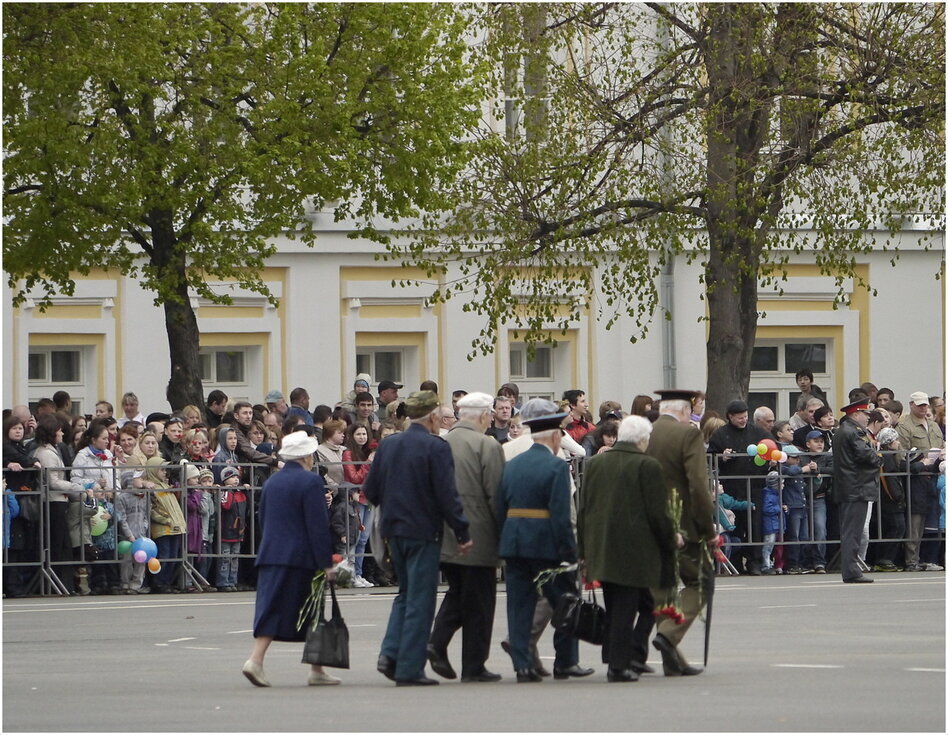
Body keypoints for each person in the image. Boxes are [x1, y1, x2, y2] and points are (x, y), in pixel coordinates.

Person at [362, 390, 472, 687]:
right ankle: (409, 668)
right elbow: (446, 494)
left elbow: (370, 490)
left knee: (405, 594)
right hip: (423, 530)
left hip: (394, 531)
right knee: (421, 600)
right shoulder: (435, 447)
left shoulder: (389, 445)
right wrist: (462, 530)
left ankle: (390, 653)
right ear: (434, 417)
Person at [577, 415, 681, 682]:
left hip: (602, 547)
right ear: (642, 439)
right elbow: (659, 512)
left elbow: (584, 509)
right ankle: (620, 665)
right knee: (628, 607)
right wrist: (671, 538)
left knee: (623, 605)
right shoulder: (647, 465)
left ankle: (623, 654)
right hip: (636, 551)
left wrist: (584, 551)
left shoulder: (597, 463)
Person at [497, 398, 593, 684]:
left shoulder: (511, 465)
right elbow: (562, 514)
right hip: (545, 544)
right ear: (554, 437)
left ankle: (522, 666)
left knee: (519, 605)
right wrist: (570, 551)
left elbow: (500, 506)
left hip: (514, 542)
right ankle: (566, 662)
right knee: (566, 601)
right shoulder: (555, 467)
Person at [242, 430, 339, 687]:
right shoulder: (310, 482)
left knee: (272, 606)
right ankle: (261, 661)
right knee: (312, 610)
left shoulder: (273, 482)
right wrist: (327, 563)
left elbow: (263, 519)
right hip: (300, 557)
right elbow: (317, 526)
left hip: (271, 553)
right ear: (307, 456)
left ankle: (261, 660)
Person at [427, 392, 505, 683]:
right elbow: (496, 494)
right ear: (485, 415)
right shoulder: (487, 445)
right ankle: (473, 664)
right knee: (481, 602)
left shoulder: (441, 443)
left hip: (445, 532)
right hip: (480, 533)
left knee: (459, 593)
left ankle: (436, 642)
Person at [646, 389, 717, 676]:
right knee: (700, 583)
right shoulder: (688, 435)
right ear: (686, 411)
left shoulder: (645, 432)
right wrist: (707, 527)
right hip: (683, 522)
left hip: (650, 521)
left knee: (663, 586)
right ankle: (669, 634)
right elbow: (698, 485)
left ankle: (672, 658)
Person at [707, 400, 768, 575]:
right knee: (734, 525)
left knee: (755, 525)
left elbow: (771, 447)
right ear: (730, 417)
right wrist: (722, 457)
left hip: (754, 485)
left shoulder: (757, 432)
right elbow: (710, 456)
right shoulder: (720, 434)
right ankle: (735, 562)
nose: (743, 420)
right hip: (730, 487)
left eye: (745, 417)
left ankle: (754, 562)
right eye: (739, 417)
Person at [832, 399, 883, 583]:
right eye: (865, 414)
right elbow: (866, 455)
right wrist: (878, 456)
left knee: (850, 532)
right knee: (853, 533)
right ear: (855, 414)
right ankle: (852, 570)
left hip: (850, 487)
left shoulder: (842, 431)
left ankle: (851, 569)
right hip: (856, 487)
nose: (867, 417)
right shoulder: (854, 433)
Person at [896, 392, 945, 572]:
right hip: (916, 477)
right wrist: (919, 461)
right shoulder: (905, 426)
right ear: (911, 405)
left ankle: (928, 558)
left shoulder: (933, 425)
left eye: (925, 405)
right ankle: (911, 560)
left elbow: (940, 445)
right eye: (919, 405)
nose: (923, 408)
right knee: (915, 521)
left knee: (933, 521)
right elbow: (902, 456)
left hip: (935, 475)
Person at [341, 424, 374, 588]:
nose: (362, 437)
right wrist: (368, 463)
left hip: (370, 498)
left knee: (364, 538)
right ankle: (351, 574)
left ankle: (359, 574)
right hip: (356, 498)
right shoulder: (348, 453)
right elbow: (354, 478)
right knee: (354, 538)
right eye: (358, 434)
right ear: (352, 436)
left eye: (364, 434)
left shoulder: (370, 453)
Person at [147, 458, 187, 594]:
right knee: (164, 556)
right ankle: (159, 582)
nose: (165, 473)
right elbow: (152, 510)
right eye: (162, 470)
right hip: (163, 528)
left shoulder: (166, 486)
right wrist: (166, 520)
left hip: (175, 527)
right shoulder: (152, 488)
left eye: (165, 470)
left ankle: (167, 582)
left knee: (174, 556)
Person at [217, 466, 249, 592]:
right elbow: (226, 506)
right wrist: (228, 492)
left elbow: (248, 507)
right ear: (225, 480)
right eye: (232, 477)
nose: (236, 480)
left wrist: (247, 491)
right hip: (227, 530)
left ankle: (232, 581)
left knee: (235, 558)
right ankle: (223, 582)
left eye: (237, 477)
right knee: (225, 557)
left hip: (238, 531)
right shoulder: (226, 492)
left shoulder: (240, 493)